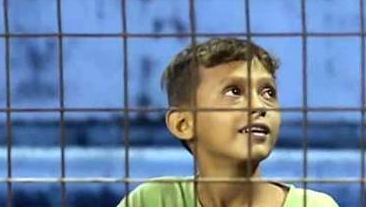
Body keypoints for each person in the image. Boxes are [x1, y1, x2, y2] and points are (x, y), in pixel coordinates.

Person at [117, 37, 338, 207]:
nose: (259, 106)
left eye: (268, 92)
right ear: (183, 123)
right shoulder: (152, 200)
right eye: (234, 91)